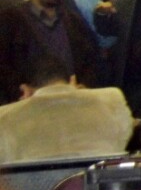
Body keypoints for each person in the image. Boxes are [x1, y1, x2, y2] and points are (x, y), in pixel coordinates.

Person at [0, 55, 133, 164]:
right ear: (72, 80)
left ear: (25, 89)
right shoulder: (112, 99)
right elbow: (122, 141)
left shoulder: (5, 117)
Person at [0, 0, 98, 105]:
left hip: (70, 102)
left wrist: (85, 84)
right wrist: (18, 89)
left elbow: (90, 59)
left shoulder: (73, 22)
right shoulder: (11, 19)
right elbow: (3, 63)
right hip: (27, 106)